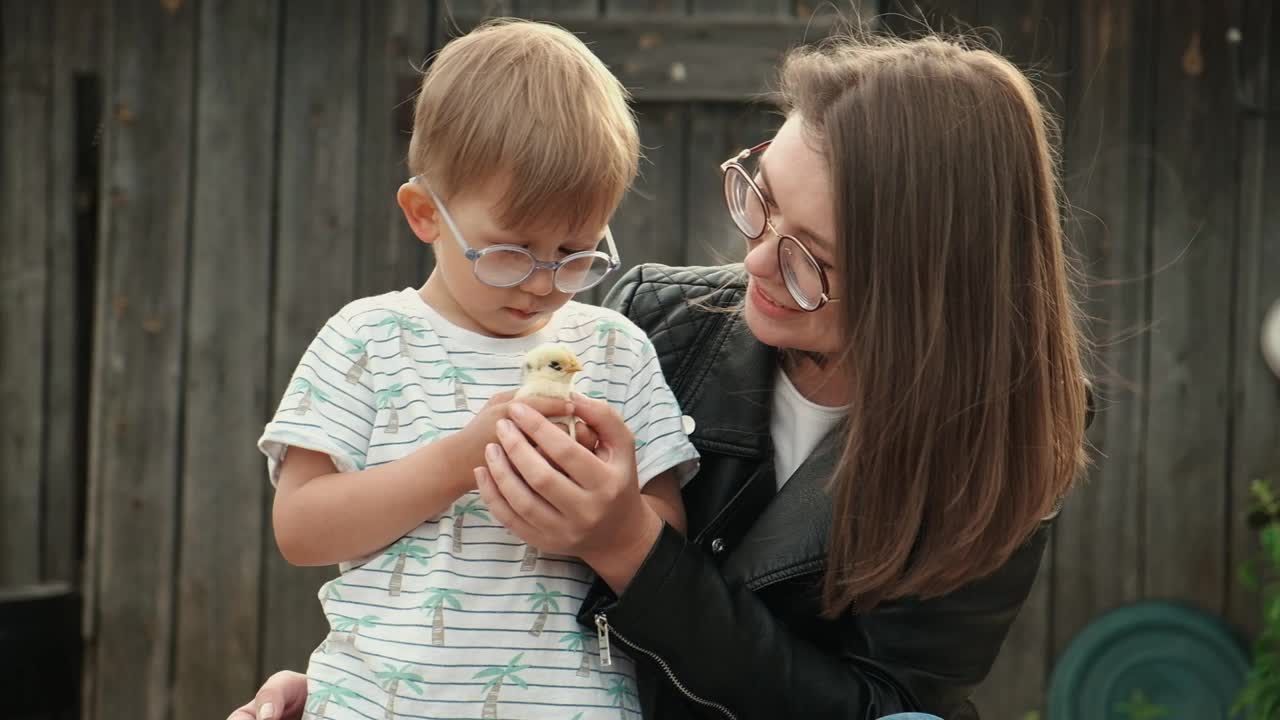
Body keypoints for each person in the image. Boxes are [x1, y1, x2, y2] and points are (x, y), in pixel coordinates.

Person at [231, 28, 1092, 720]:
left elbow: (889, 708)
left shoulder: (996, 446)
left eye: (809, 259)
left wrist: (627, 548)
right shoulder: (646, 325)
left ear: (927, 291)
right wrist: (354, 684)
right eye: (759, 199)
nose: (751, 262)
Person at [253, 19, 698, 720]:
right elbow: (301, 527)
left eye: (576, 253)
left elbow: (668, 533)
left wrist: (598, 513)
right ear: (426, 213)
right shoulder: (369, 339)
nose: (544, 282)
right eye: (510, 251)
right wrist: (464, 459)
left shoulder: (618, 351)